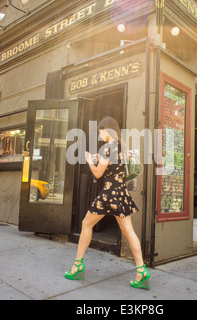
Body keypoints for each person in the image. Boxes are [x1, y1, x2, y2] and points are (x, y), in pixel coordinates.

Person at [64, 116, 150, 290]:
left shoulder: (107, 148)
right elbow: (113, 165)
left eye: (101, 131)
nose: (100, 134)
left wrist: (90, 160)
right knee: (129, 231)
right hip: (121, 193)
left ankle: (77, 266)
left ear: (108, 130)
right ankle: (142, 271)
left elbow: (97, 173)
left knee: (85, 224)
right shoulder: (121, 147)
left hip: (109, 194)